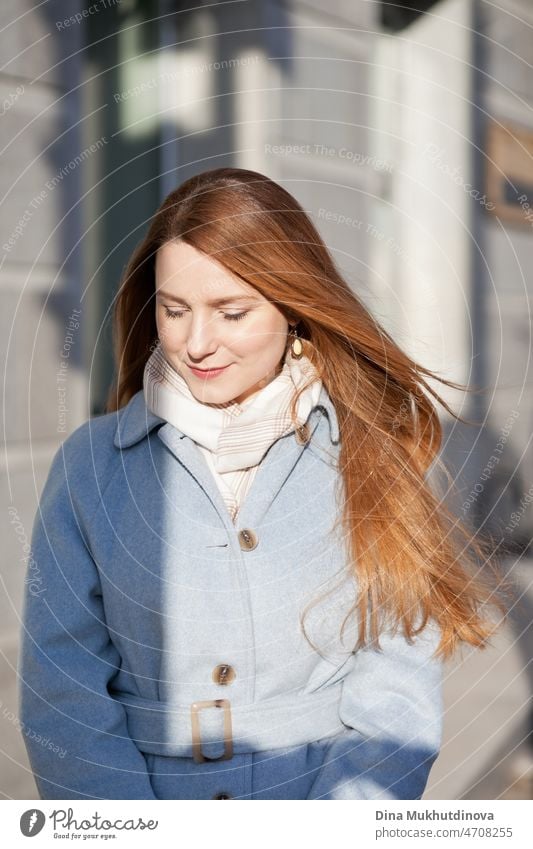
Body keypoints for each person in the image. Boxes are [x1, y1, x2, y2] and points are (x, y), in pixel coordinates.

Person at [18, 167, 508, 800]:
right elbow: (62, 689)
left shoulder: (370, 457)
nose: (196, 343)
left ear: (294, 308)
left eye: (231, 312)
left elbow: (396, 688)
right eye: (174, 310)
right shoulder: (90, 466)